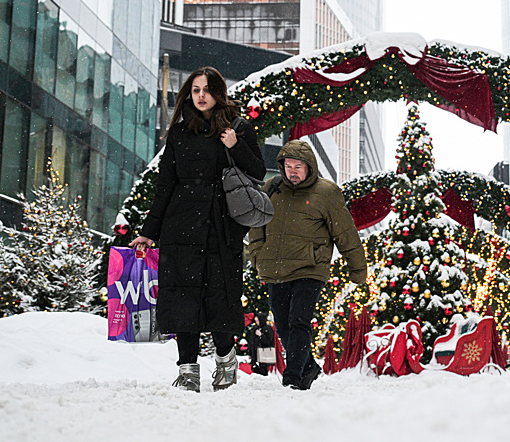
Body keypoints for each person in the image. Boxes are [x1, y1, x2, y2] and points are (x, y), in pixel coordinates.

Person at [129, 66, 266, 393]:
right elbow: (164, 187)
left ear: (218, 92)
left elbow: (259, 171)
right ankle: (187, 369)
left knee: (221, 297)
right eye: (195, 90)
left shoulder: (238, 128)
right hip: (182, 225)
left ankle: (225, 360)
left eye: (206, 89)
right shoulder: (178, 134)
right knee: (182, 298)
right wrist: (149, 232)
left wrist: (235, 146)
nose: (201, 96)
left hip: (222, 225)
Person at [248, 139, 367, 390]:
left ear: (309, 167)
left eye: (298, 166)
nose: (292, 171)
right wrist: (258, 254)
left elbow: (345, 232)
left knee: (298, 320)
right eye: (288, 166)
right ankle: (309, 366)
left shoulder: (327, 192)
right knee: (282, 324)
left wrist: (357, 269)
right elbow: (257, 225)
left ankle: (292, 378)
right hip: (277, 269)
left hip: (310, 268)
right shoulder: (271, 188)